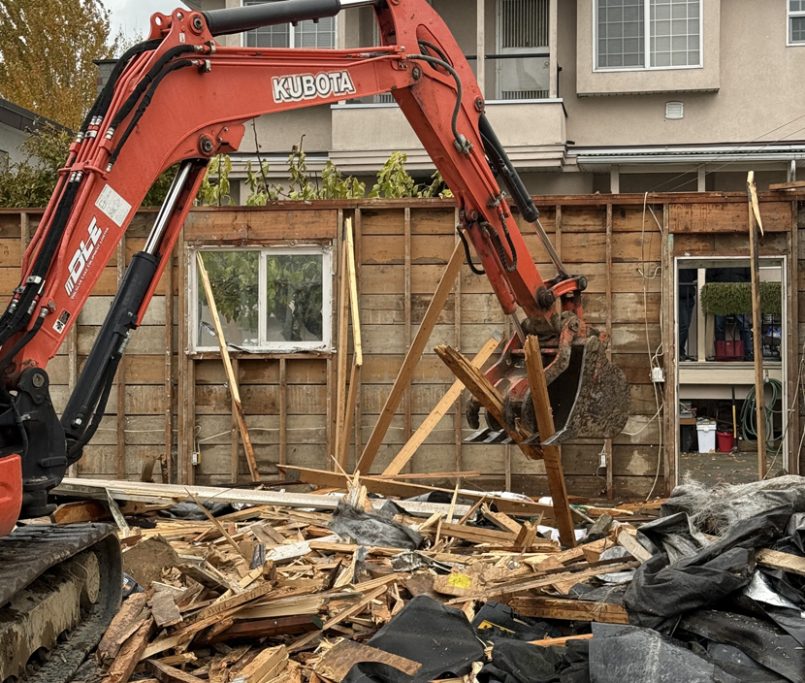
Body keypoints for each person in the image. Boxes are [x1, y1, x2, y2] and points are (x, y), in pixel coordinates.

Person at [706, 267, 753, 361]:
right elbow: (710, 276)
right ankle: (721, 353)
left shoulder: (741, 259)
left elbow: (750, 277)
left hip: (739, 295)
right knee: (719, 326)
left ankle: (748, 353)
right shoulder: (718, 259)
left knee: (743, 325)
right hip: (720, 296)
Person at [678, 268, 697, 360]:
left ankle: (681, 351)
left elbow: (696, 274)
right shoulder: (680, 262)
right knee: (683, 326)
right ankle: (677, 351)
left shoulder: (690, 264)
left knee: (685, 326)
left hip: (689, 296)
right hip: (680, 297)